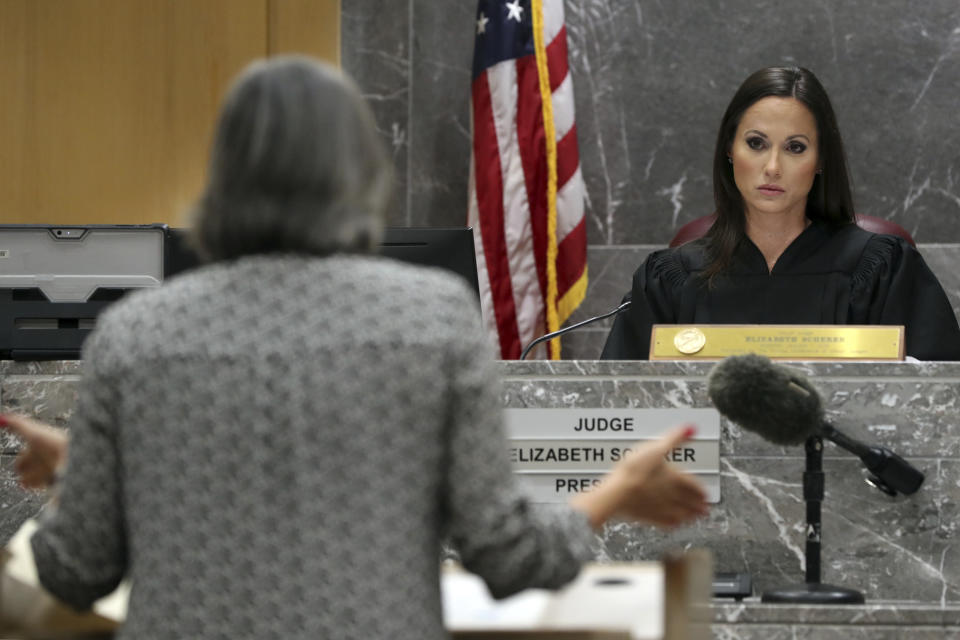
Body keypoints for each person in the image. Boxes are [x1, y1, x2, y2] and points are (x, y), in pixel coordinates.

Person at [0, 57, 708, 639]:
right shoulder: (431, 321)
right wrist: (616, 491)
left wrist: (84, 479)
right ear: (358, 171)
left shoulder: (134, 335)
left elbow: (74, 570)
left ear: (225, 175)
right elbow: (510, 553)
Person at [601, 66, 960, 361]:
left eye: (795, 147)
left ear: (819, 161)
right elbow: (622, 410)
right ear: (730, 150)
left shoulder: (883, 270)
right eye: (756, 143)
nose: (772, 167)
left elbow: (938, 404)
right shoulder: (668, 280)